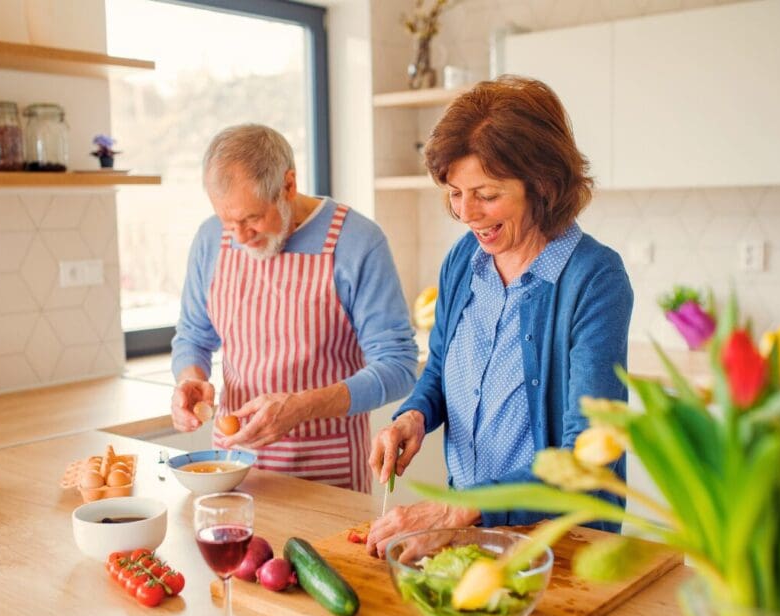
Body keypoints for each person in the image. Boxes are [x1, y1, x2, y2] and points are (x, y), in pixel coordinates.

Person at [366, 76, 633, 556]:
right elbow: (442, 371)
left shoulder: (594, 278)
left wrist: (457, 509)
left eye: (487, 195)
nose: (467, 214)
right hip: (470, 538)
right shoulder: (464, 261)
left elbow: (587, 458)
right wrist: (413, 417)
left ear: (543, 184)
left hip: (563, 546)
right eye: (454, 193)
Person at [170, 123, 418, 494]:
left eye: (252, 218)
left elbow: (399, 366)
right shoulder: (210, 239)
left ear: (288, 184)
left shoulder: (357, 242)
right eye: (228, 221)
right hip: (234, 471)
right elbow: (193, 336)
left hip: (327, 477)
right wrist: (190, 379)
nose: (239, 237)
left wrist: (302, 406)